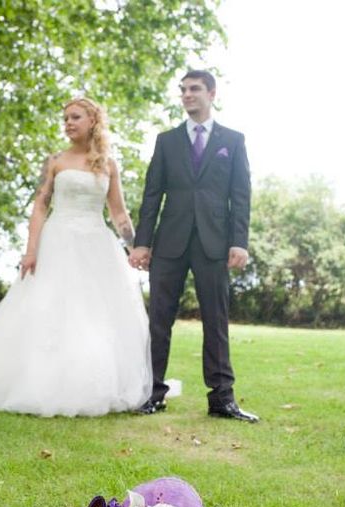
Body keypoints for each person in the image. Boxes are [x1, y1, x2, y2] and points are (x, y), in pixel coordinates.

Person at [0, 98, 151, 417]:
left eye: (75, 117)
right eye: (65, 118)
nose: (68, 123)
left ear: (93, 121)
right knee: (47, 308)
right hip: (58, 241)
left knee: (94, 314)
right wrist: (31, 250)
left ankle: (91, 383)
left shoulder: (108, 164)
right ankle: (33, 382)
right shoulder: (54, 161)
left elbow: (118, 211)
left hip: (96, 245)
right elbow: (40, 206)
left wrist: (133, 245)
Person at [128, 70, 259, 423]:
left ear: (211, 93)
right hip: (169, 242)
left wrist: (239, 242)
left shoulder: (232, 141)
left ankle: (222, 400)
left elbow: (240, 196)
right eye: (183, 90)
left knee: (216, 321)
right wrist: (142, 243)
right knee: (159, 320)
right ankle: (152, 393)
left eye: (194, 89)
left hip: (214, 243)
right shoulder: (166, 141)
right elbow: (152, 195)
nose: (187, 95)